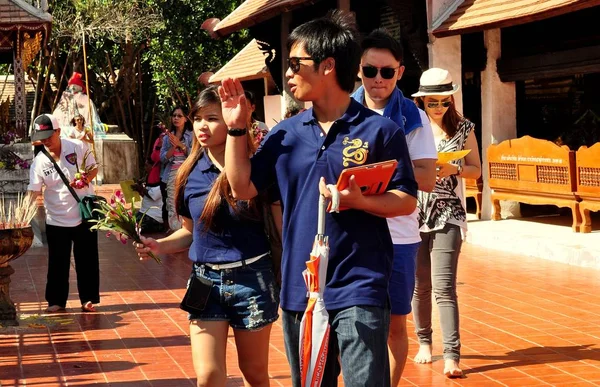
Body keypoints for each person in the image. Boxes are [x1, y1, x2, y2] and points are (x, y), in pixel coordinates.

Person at [221, 11, 418, 387]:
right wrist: (235, 129)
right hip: (302, 289)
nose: (289, 73)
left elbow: (406, 200)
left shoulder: (381, 131)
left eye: (297, 63)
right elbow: (241, 187)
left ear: (328, 66)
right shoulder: (285, 135)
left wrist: (361, 201)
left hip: (361, 282)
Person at [135, 87, 280, 387]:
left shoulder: (256, 167)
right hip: (204, 281)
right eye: (197, 118)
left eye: (212, 118)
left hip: (251, 278)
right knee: (209, 377)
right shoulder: (189, 173)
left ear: (232, 119)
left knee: (254, 374)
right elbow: (189, 231)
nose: (202, 125)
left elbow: (278, 225)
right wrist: (159, 245)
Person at [352, 28, 437, 386]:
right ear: (359, 69)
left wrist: (373, 177)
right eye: (370, 71)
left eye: (387, 72)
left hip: (399, 236)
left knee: (395, 324)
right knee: (350, 324)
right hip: (350, 234)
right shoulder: (342, 113)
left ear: (400, 72)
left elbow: (428, 177)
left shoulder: (414, 119)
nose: (378, 80)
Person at [411, 68, 482, 378]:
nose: (438, 108)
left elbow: (476, 169)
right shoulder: (410, 128)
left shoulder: (464, 128)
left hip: (448, 212)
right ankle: (424, 342)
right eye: (432, 103)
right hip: (413, 213)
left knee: (444, 287)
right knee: (420, 286)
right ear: (422, 101)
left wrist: (455, 169)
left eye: (444, 102)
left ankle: (452, 355)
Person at [26, 114, 100, 313]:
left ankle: (88, 298)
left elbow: (94, 168)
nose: (46, 141)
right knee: (58, 262)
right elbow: (34, 191)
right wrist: (24, 213)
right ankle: (56, 301)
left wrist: (85, 179)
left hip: (84, 213)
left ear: (58, 131)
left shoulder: (78, 146)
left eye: (49, 135)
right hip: (56, 218)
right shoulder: (39, 162)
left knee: (87, 259)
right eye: (42, 137)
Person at [160, 106, 193, 231]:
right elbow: (162, 158)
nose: (176, 118)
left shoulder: (192, 135)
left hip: (188, 173)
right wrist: (173, 146)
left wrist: (181, 145)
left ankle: (188, 230)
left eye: (179, 116)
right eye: (174, 115)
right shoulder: (167, 137)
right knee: (172, 203)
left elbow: (195, 156)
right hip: (172, 173)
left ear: (186, 119)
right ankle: (175, 230)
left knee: (186, 201)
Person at [131, 159, 164, 234]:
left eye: (146, 165)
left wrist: (141, 188)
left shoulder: (159, 181)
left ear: (153, 166)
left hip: (154, 217)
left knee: (134, 227)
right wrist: (140, 191)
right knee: (128, 222)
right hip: (145, 213)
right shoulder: (150, 180)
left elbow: (153, 196)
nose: (145, 168)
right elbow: (147, 197)